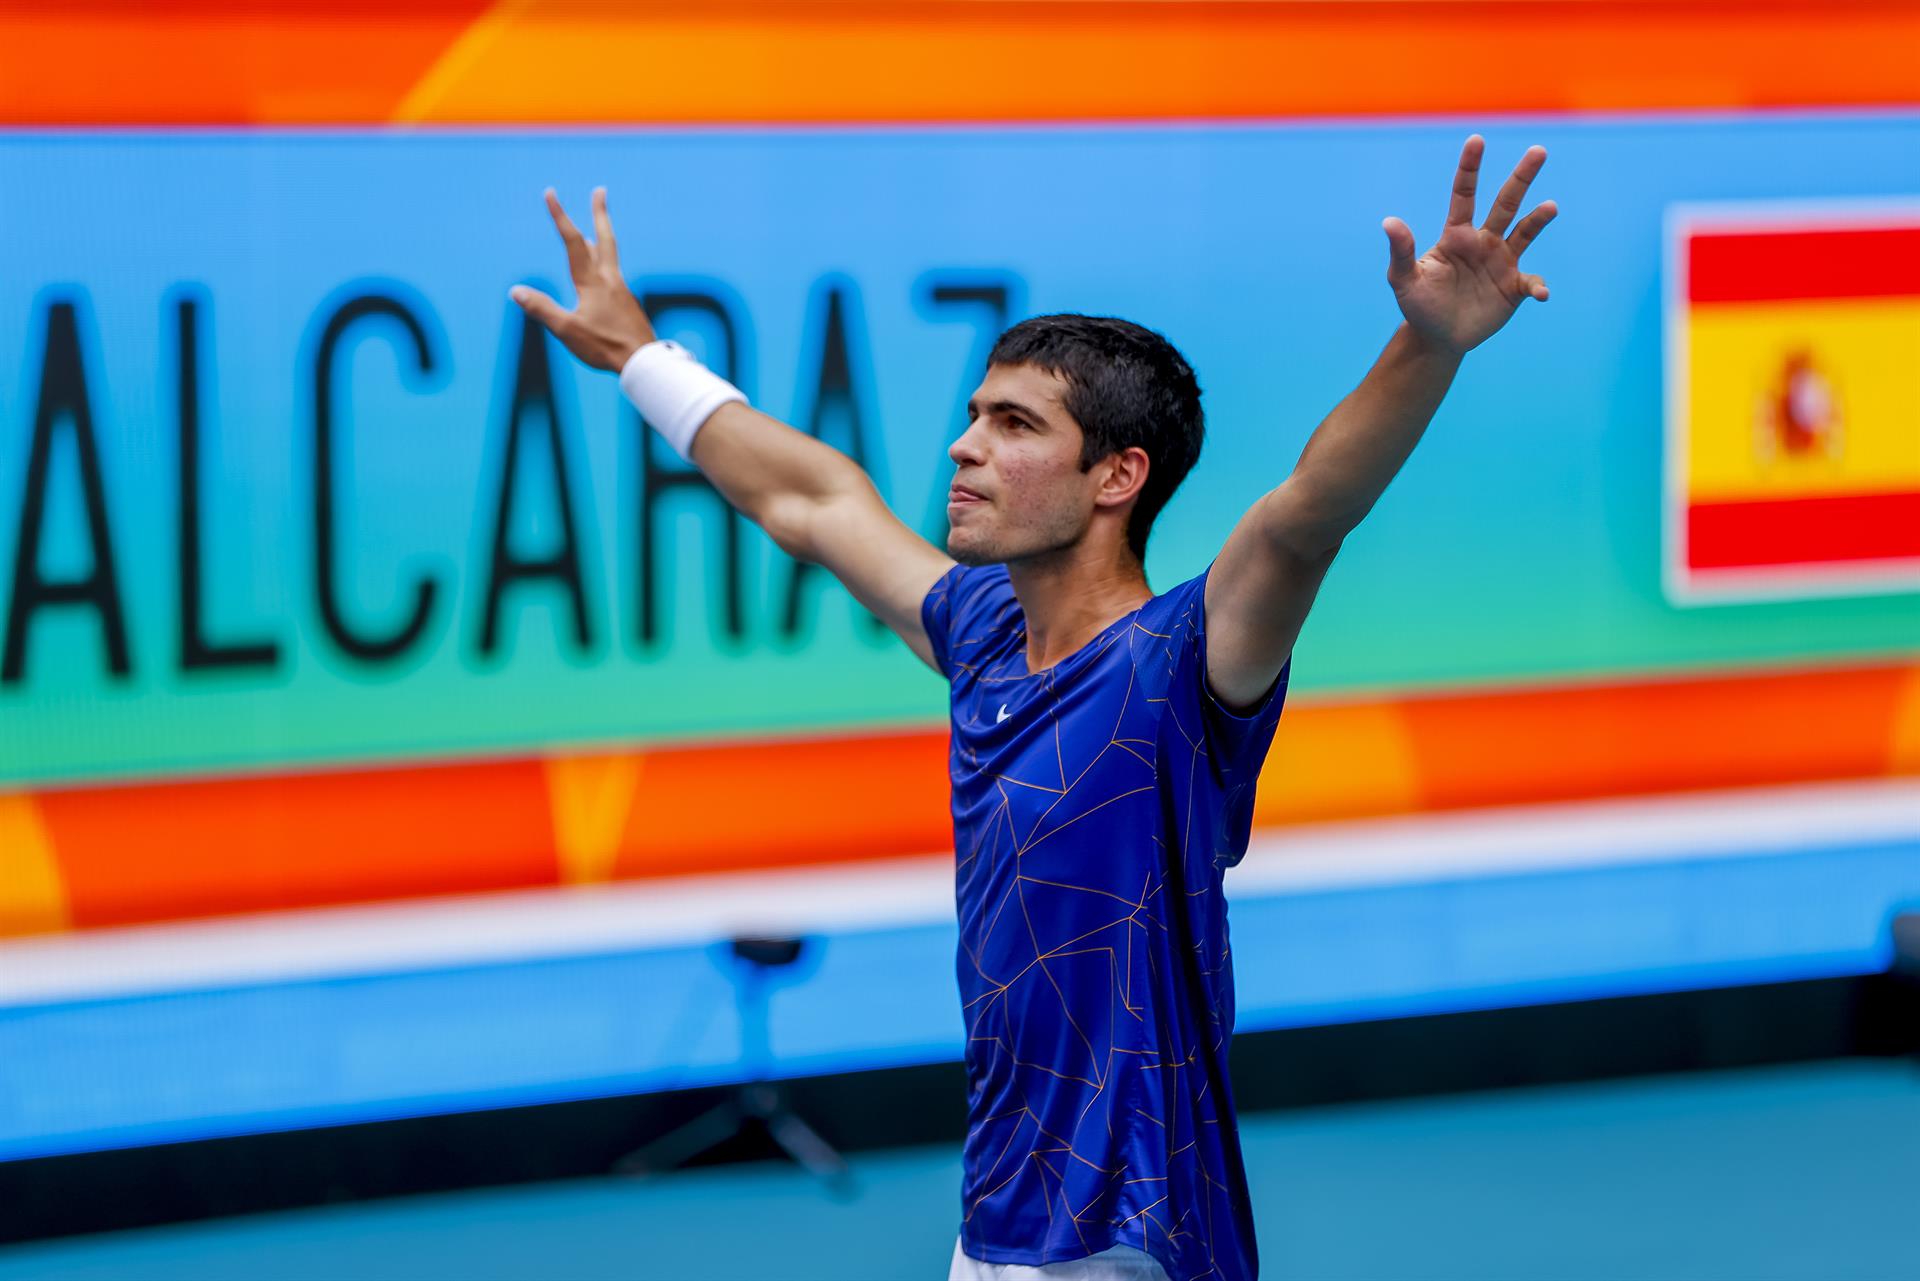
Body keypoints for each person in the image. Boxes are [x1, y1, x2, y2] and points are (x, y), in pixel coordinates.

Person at [513, 134, 1555, 1281]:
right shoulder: (983, 636)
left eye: (1015, 426)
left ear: (1118, 476)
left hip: (1130, 1237)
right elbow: (811, 497)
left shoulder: (1180, 663)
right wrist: (640, 356)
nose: (964, 446)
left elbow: (1309, 511)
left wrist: (1428, 343)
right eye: (975, 415)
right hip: (999, 1221)